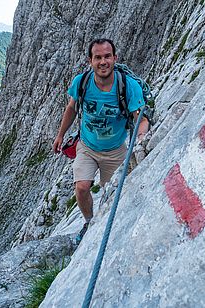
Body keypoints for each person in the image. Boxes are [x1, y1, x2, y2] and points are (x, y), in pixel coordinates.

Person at [52, 38, 149, 244]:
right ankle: (88, 222)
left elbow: (139, 117)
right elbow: (71, 108)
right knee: (81, 187)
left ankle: (108, 228)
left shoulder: (128, 86)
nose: (103, 62)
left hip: (116, 150)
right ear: (90, 61)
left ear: (115, 58)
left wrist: (141, 138)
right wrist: (60, 135)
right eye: (98, 57)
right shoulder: (82, 82)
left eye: (107, 56)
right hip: (86, 146)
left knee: (112, 193)